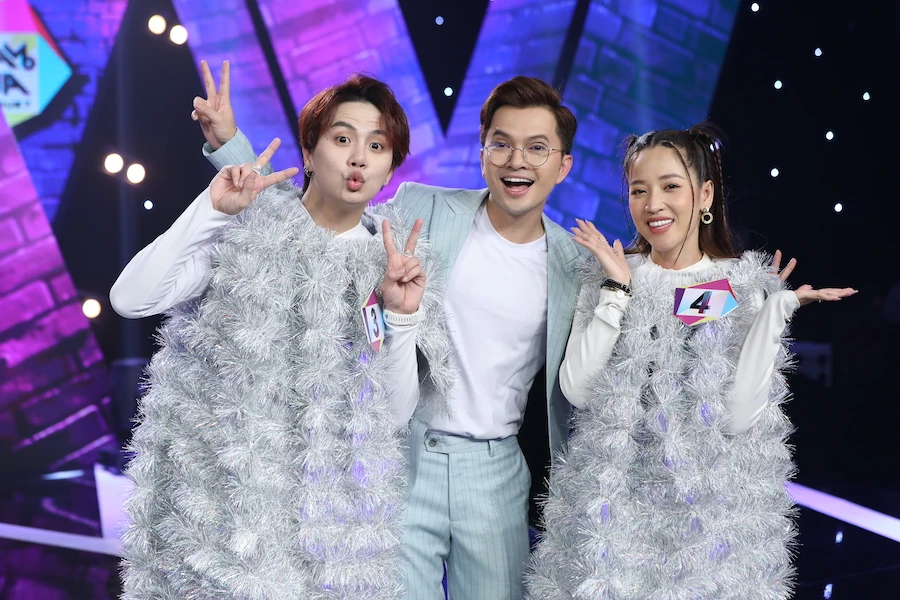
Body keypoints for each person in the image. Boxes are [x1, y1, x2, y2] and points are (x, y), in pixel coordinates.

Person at [198, 64, 586, 599]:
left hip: (495, 471)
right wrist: (229, 147)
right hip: (402, 454)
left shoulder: (575, 265)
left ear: (562, 166)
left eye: (537, 148)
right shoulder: (424, 207)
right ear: (482, 152)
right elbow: (319, 217)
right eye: (501, 144)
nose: (516, 161)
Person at [112, 72, 455, 599]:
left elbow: (390, 416)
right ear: (309, 152)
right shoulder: (248, 229)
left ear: (391, 168)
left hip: (330, 535)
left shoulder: (393, 266)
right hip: (224, 519)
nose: (358, 158)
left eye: (377, 146)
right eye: (342, 138)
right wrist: (209, 209)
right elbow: (131, 298)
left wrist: (402, 317)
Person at [525, 124, 856, 599]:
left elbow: (738, 416)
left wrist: (775, 311)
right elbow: (578, 389)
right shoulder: (611, 272)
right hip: (613, 518)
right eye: (639, 190)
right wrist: (616, 290)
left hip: (706, 526)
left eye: (670, 187)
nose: (653, 204)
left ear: (705, 195)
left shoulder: (734, 286)